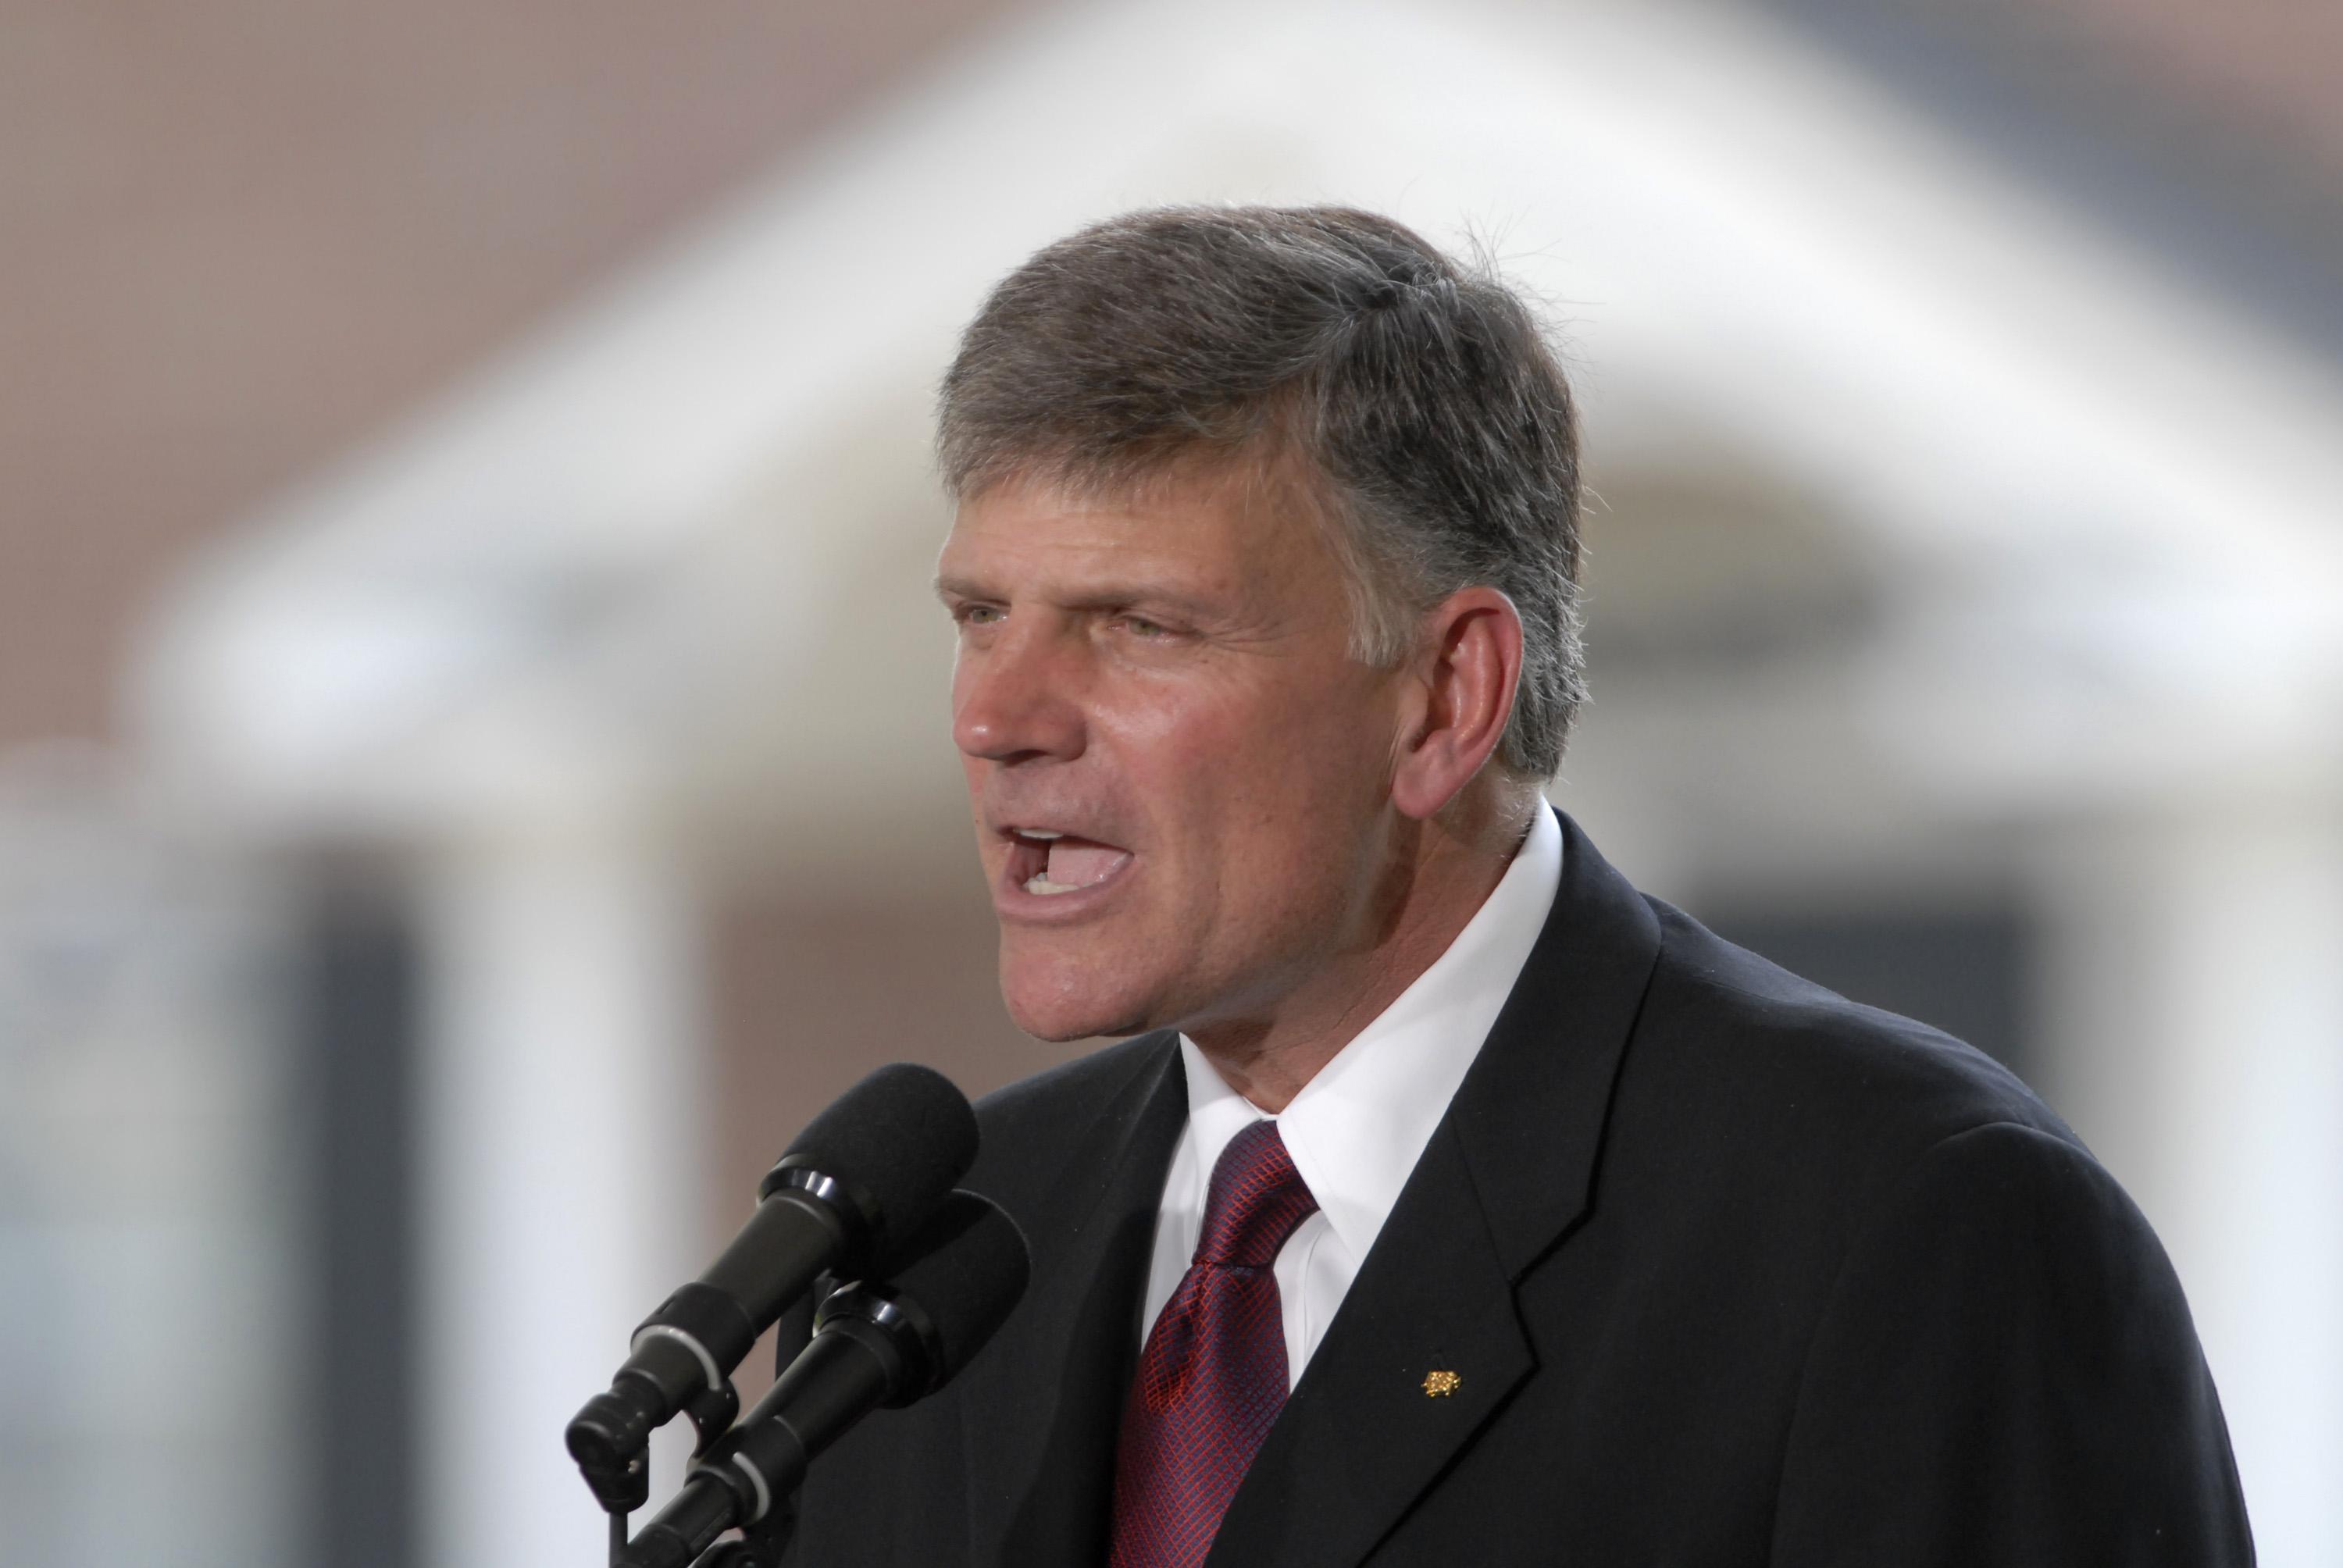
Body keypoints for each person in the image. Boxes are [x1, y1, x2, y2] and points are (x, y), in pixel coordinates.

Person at [786, 205, 2252, 1565]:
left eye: (1138, 625)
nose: (1000, 718)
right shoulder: (945, 1255)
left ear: (1444, 697)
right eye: (982, 616)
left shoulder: (1912, 1232)